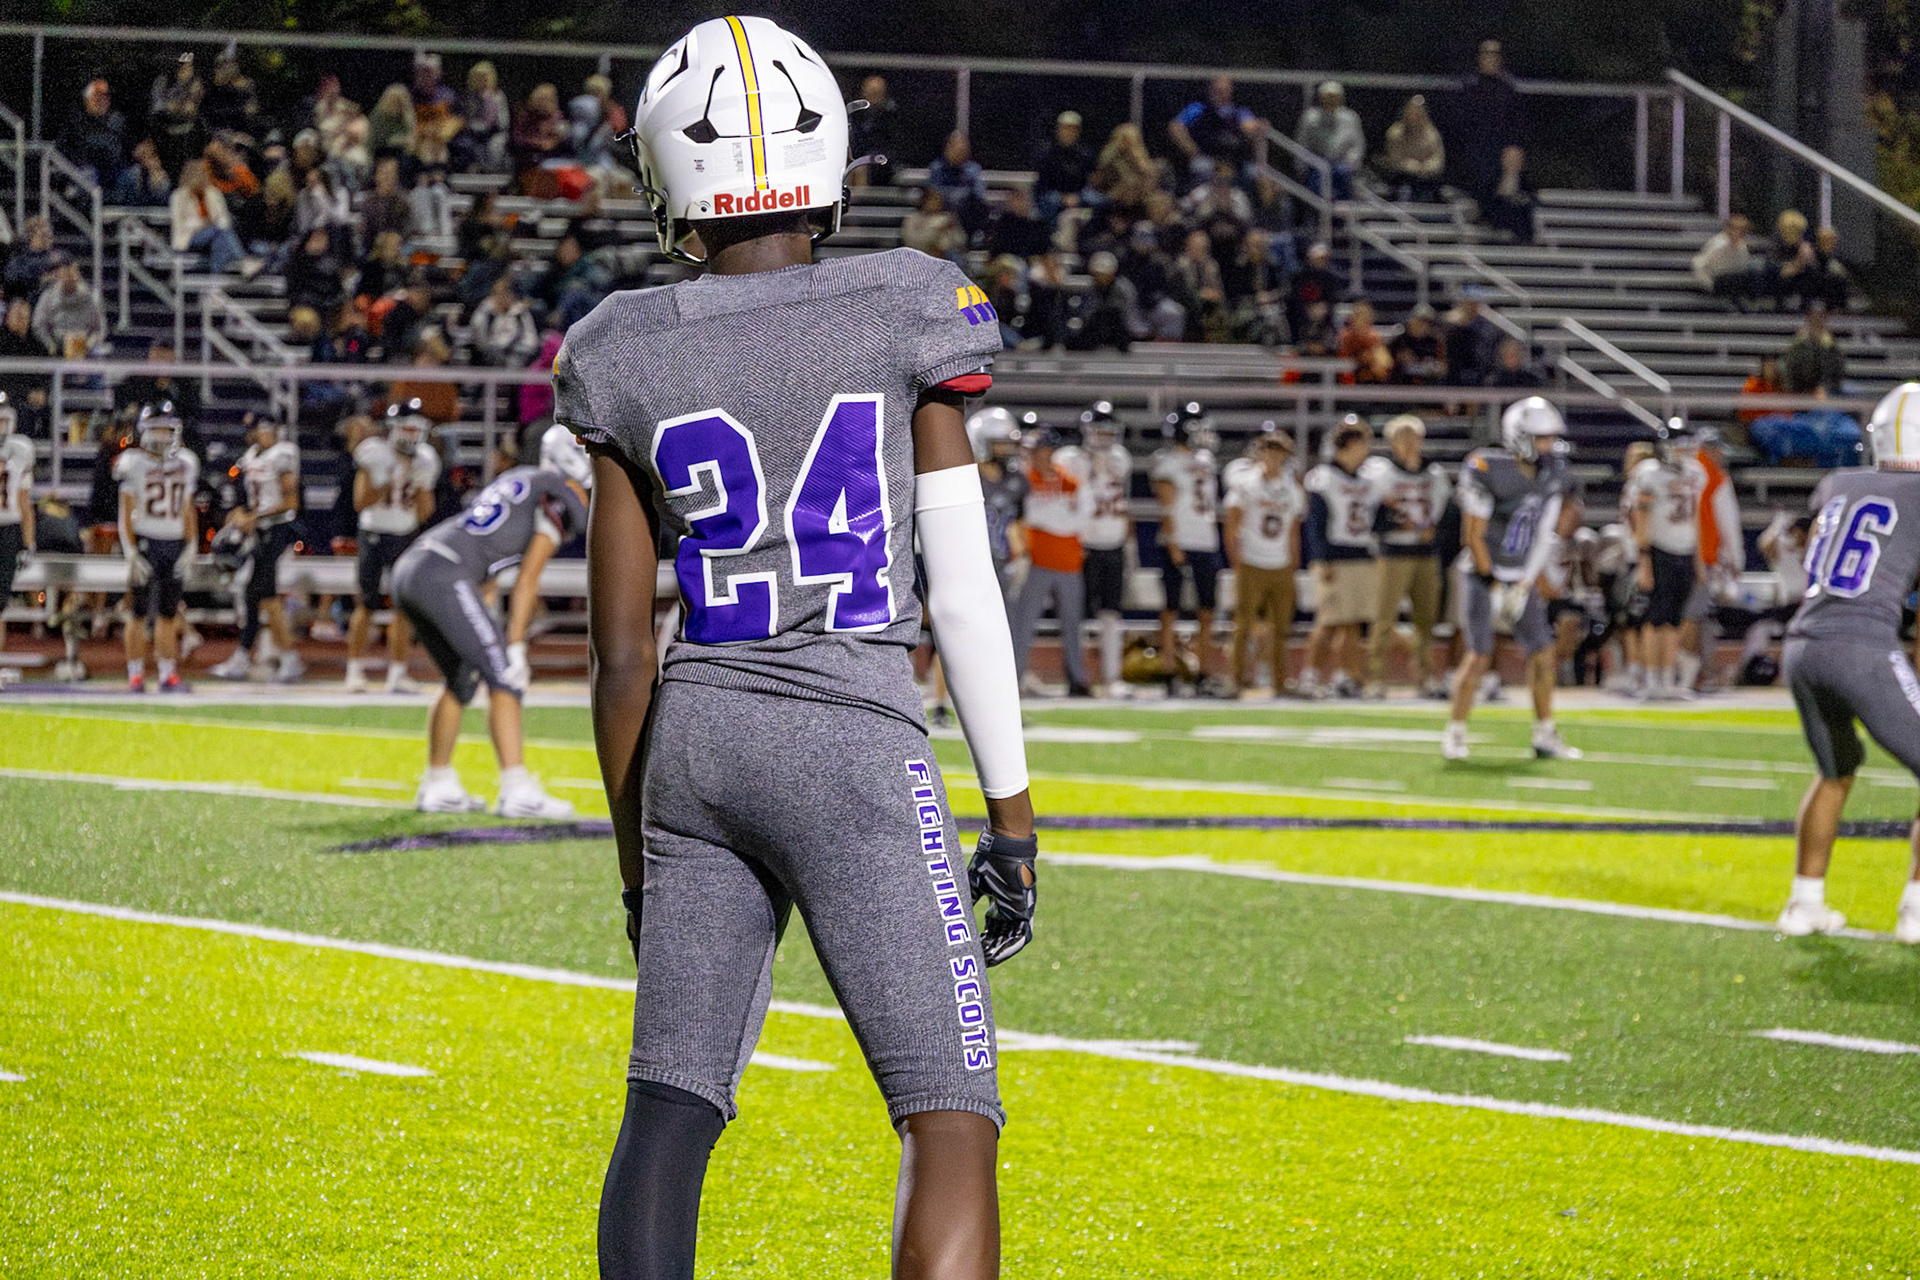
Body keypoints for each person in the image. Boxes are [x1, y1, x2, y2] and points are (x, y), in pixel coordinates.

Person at [554, 20, 1036, 1278]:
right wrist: (1014, 812)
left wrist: (636, 865)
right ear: (825, 156)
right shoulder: (909, 300)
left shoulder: (618, 341)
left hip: (698, 747)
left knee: (671, 1102)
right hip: (853, 742)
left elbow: (619, 657)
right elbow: (963, 586)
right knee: (949, 1115)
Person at [1776, 384, 1920, 945]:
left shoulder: (1840, 483)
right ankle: (1916, 912)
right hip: (1860, 646)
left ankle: (1803, 902)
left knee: (1834, 773)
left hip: (1802, 644)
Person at [392, 426, 584, 817]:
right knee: (504, 676)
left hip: (417, 563)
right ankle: (517, 789)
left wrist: (490, 625)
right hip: (445, 571)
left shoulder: (518, 478)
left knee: (462, 677)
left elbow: (491, 565)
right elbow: (529, 577)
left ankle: (438, 783)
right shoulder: (563, 494)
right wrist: (514, 646)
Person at [1441, 396, 1584, 761]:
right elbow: (1473, 536)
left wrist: (1524, 582)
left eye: (1551, 437)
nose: (1548, 445)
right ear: (1519, 436)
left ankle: (1545, 733)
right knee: (1479, 655)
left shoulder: (1552, 473)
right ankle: (1454, 733)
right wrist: (1493, 581)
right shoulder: (1487, 468)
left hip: (1519, 574)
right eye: (1542, 438)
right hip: (1481, 572)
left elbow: (1544, 535)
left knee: (1543, 652)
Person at [345, 403, 440, 694]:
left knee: (404, 608)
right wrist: (391, 479)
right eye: (407, 428)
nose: (412, 435)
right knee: (366, 603)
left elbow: (425, 513)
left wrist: (418, 483)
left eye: (416, 429)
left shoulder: (426, 459)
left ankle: (398, 673)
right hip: (374, 531)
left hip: (405, 534)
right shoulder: (374, 451)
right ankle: (354, 670)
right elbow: (360, 502)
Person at [208, 417, 303, 683]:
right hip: (260, 531)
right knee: (258, 597)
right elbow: (244, 497)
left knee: (262, 596)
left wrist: (255, 517)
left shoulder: (283, 455)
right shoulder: (250, 456)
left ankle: (274, 658)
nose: (260, 436)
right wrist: (241, 515)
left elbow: (291, 501)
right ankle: (271, 657)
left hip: (277, 530)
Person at [1363, 415, 1451, 697]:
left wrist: (1431, 531)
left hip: (1425, 553)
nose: (1410, 444)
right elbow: (1370, 516)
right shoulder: (1382, 474)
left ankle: (1425, 677)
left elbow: (1447, 515)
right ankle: (1376, 677)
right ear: (1392, 443)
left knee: (1426, 618)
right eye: (1403, 438)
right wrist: (1398, 524)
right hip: (1394, 552)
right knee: (1384, 617)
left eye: (1413, 437)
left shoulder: (1434, 474)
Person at [115, 406, 199, 692]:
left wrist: (192, 545)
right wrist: (131, 551)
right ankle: (135, 674)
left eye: (167, 429)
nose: (163, 436)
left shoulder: (186, 462)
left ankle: (167, 674)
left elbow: (188, 509)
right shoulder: (132, 462)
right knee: (137, 613)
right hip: (146, 539)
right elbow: (125, 512)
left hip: (174, 542)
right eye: (157, 429)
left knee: (169, 613)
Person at [1624, 428, 1707, 700]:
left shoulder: (1694, 472)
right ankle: (1651, 680)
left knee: (1674, 619)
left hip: (1685, 550)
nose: (1686, 451)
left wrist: (1698, 559)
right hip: (1658, 550)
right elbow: (1641, 517)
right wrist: (1644, 559)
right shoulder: (1648, 474)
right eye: (1681, 446)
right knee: (1654, 617)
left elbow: (1695, 518)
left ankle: (1668, 679)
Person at [1009, 427, 1091, 696]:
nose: (1038, 456)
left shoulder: (1067, 479)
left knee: (1072, 626)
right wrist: (1058, 517)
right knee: (1023, 624)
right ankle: (1015, 679)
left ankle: (1077, 679)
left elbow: (1081, 520)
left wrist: (1049, 517)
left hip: (1069, 563)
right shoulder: (1023, 480)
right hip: (1037, 562)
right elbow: (1030, 516)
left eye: (1042, 450)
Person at [1300, 416, 1378, 698]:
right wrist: (1322, 557)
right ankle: (1310, 676)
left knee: (1353, 622)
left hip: (1361, 554)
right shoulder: (1324, 477)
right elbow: (1316, 522)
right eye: (1362, 442)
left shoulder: (1368, 477)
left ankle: (1347, 677)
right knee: (1330, 621)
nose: (1367, 448)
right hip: (1335, 555)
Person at [1061, 401, 1134, 696]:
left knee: (1111, 614)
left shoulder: (1121, 458)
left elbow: (1122, 501)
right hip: (1084, 543)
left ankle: (1111, 677)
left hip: (1113, 541)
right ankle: (1076, 676)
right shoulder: (1070, 459)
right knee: (1076, 614)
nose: (1104, 436)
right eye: (1099, 430)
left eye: (1108, 431)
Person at [1224, 426, 1303, 696]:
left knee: (1281, 628)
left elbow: (1293, 528)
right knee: (1243, 626)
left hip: (1280, 563)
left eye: (1277, 450)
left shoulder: (1291, 487)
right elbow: (1232, 523)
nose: (1272, 455)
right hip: (1252, 560)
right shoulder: (1246, 483)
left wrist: (1293, 563)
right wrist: (1237, 560)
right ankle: (1235, 680)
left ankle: (1280, 682)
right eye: (1267, 449)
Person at [1153, 403, 1225, 695]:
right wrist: (1173, 542)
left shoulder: (1206, 459)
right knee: (1171, 609)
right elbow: (1167, 506)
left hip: (1205, 540)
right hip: (1180, 541)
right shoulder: (1166, 461)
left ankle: (1202, 672)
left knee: (1207, 611)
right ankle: (1169, 670)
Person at [967, 407, 1029, 600]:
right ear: (980, 442)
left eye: (1010, 443)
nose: (1008, 449)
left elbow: (1016, 521)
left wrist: (1021, 555)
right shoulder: (967, 480)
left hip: (1001, 560)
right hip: (969, 562)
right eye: (1001, 443)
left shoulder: (1016, 480)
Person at [1458, 39, 1521, 205]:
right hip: (1475, 145)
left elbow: (1514, 119)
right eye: (1486, 54)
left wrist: (1513, 145)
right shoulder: (1470, 85)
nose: (1490, 58)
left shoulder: (1508, 86)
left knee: (1501, 186)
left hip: (1499, 145)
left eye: (1494, 54)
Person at [1169, 75, 1261, 183]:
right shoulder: (1198, 108)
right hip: (1207, 157)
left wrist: (1257, 126)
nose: (1222, 92)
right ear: (1211, 89)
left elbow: (1250, 127)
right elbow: (1174, 127)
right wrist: (1194, 152)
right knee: (1201, 166)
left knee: (1255, 172)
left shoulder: (1240, 111)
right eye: (1219, 89)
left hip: (1234, 158)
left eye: (1225, 89)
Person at [169, 160, 250, 275]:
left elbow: (224, 220)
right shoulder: (178, 196)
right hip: (189, 238)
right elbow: (180, 225)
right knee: (219, 230)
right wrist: (204, 223)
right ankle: (244, 262)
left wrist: (211, 224)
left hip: (213, 235)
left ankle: (214, 284)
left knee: (220, 240)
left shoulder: (213, 193)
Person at [0, 393, 35, 650]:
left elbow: (24, 502)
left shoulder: (20, 450)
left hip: (8, 527)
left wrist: (28, 541)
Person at [1294, 81, 1365, 201]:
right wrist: (1302, 167)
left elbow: (1357, 145)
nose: (1331, 100)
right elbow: (1302, 143)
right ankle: (1322, 211)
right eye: (1328, 97)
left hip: (1342, 163)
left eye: (1335, 97)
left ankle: (1341, 213)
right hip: (1317, 163)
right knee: (1320, 177)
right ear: (1321, 98)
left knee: (1342, 173)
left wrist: (1352, 163)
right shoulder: (1310, 117)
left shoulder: (1351, 118)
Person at [32, 259, 104, 359]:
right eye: (65, 274)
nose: (69, 278)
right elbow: (38, 325)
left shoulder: (91, 296)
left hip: (85, 350)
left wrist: (88, 345)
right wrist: (51, 345)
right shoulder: (48, 296)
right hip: (57, 349)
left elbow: (98, 329)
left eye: (72, 274)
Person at [59, 80, 127, 187]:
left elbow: (116, 150)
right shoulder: (75, 122)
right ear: (87, 100)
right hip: (84, 171)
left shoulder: (116, 120)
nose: (102, 101)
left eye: (105, 97)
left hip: (112, 172)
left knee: (133, 175)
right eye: (97, 98)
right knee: (88, 174)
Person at [1382, 95, 1445, 203]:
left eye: (1419, 112)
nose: (1415, 115)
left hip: (1426, 178)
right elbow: (1395, 159)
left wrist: (1429, 166)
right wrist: (1409, 165)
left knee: (1433, 189)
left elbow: (1438, 159)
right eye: (1412, 112)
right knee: (1405, 188)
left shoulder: (1432, 133)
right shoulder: (1396, 132)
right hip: (1403, 178)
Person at [1034, 111, 1094, 223]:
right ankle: (1052, 233)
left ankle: (1087, 228)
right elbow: (1043, 185)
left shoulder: (1085, 155)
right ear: (1058, 129)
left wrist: (1078, 197)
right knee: (1049, 202)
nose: (1069, 132)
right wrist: (1062, 198)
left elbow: (1090, 182)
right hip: (1053, 199)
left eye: (1073, 129)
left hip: (1079, 199)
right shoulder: (1047, 154)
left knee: (1096, 203)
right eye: (1065, 128)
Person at [470, 274, 540, 367]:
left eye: (502, 294)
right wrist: (485, 308)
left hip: (518, 353)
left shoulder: (519, 313)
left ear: (510, 296)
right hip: (492, 354)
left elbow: (527, 340)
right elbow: (477, 330)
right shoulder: (488, 310)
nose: (497, 298)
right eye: (495, 294)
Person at [455, 61, 511, 173]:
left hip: (493, 133)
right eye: (478, 76)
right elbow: (463, 118)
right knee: (465, 145)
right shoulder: (467, 96)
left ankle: (492, 175)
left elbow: (504, 122)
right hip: (471, 133)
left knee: (496, 146)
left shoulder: (498, 97)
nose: (481, 79)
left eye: (484, 76)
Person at [929, 132, 989, 235]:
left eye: (963, 150)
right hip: (943, 213)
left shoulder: (972, 169)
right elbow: (934, 194)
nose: (960, 152)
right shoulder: (937, 168)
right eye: (957, 149)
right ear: (947, 149)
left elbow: (979, 193)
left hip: (965, 217)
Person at [1781, 301, 1845, 396]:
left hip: (1827, 389)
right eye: (1813, 316)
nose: (1817, 319)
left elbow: (1837, 368)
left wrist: (1825, 386)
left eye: (1820, 316)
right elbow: (1791, 367)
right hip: (1802, 389)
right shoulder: (1799, 341)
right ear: (1809, 318)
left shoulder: (1830, 342)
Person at [847, 75, 900, 187]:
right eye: (870, 93)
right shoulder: (854, 115)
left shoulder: (892, 118)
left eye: (877, 93)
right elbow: (853, 141)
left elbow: (893, 147)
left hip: (882, 163)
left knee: (860, 168)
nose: (873, 97)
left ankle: (859, 203)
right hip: (856, 159)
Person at [1691, 214, 1756, 303]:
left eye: (1742, 231)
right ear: (1728, 229)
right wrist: (1710, 286)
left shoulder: (1742, 247)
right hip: (1716, 283)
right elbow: (1698, 265)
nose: (1738, 233)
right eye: (1735, 229)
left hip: (1734, 284)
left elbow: (1742, 267)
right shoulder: (1718, 245)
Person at [1484, 145, 1537, 242]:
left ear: (1521, 162)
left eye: (1515, 159)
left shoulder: (1529, 185)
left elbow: (1528, 212)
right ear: (1502, 160)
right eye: (1509, 158)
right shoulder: (1491, 183)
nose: (1512, 162)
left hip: (1519, 234)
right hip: (1494, 232)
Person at [110, 137, 174, 207]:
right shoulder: (130, 174)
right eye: (143, 155)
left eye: (153, 154)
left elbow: (163, 201)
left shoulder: (161, 174)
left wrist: (155, 176)